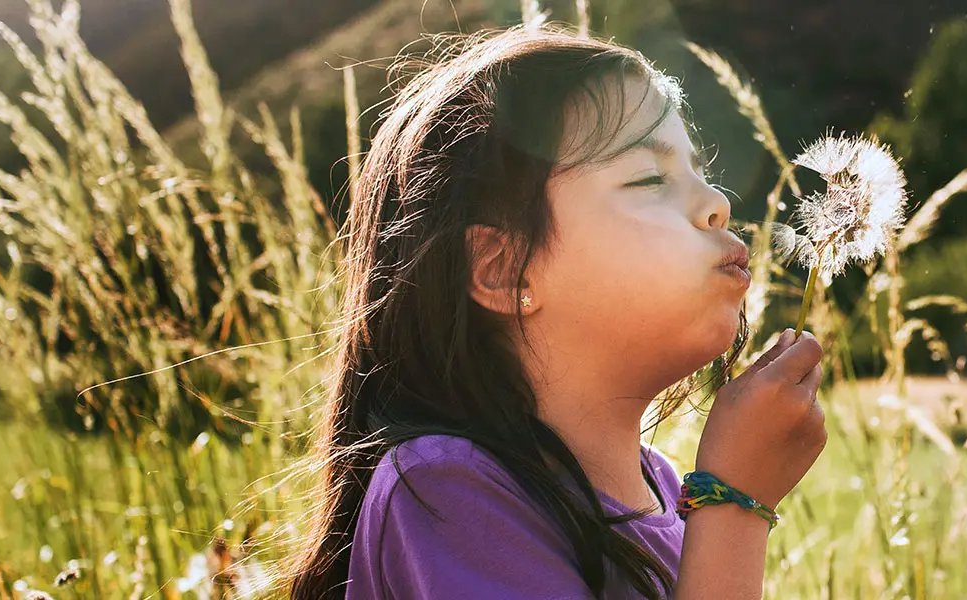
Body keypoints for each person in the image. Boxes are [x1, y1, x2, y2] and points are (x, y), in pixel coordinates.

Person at [281, 24, 828, 599]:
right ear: (502, 268)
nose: (717, 203)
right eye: (648, 178)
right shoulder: (449, 490)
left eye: (699, 172)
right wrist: (735, 503)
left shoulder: (667, 487)